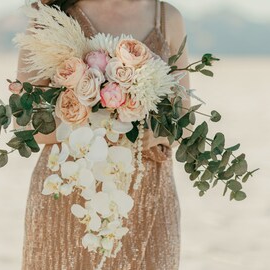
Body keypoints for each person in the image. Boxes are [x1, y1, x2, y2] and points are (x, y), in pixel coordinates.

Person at [17, 0, 191, 269]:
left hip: (148, 196)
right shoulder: (51, 15)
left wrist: (156, 134)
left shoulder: (167, 18)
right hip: (68, 195)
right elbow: (25, 125)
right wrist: (94, 114)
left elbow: (185, 120)